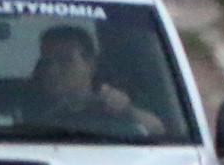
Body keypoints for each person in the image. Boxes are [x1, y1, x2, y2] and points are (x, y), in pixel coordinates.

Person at [26, 23, 157, 138]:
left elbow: (158, 130)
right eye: (47, 61)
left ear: (90, 64)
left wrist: (128, 110)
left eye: (64, 60)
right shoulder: (25, 102)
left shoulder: (109, 102)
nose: (52, 70)